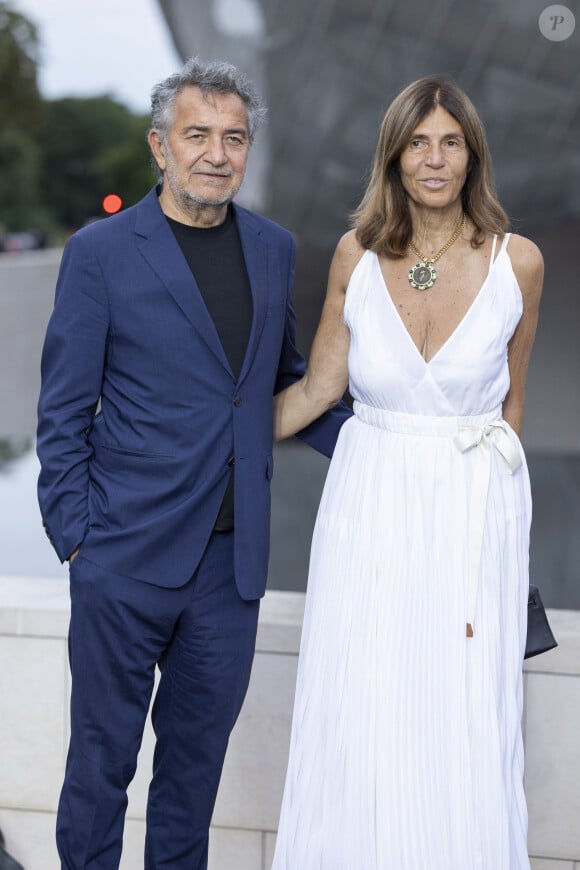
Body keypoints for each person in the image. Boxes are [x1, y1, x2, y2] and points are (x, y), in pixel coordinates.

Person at [36, 57, 350, 869]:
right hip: (122, 558)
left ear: (249, 150)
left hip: (228, 571)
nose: (217, 153)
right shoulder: (100, 252)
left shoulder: (275, 250)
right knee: (98, 774)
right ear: (160, 147)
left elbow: (280, 384)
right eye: (197, 134)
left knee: (192, 783)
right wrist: (78, 540)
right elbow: (63, 413)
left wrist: (392, 449)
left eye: (234, 137)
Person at [271, 75, 543, 869]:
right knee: (364, 702)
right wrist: (202, 436)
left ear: (472, 155)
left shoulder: (517, 263)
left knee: (460, 711)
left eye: (450, 142)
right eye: (417, 142)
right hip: (369, 505)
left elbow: (512, 406)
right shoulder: (355, 255)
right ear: (393, 157)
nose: (434, 159)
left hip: (470, 512)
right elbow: (321, 389)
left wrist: (500, 536)